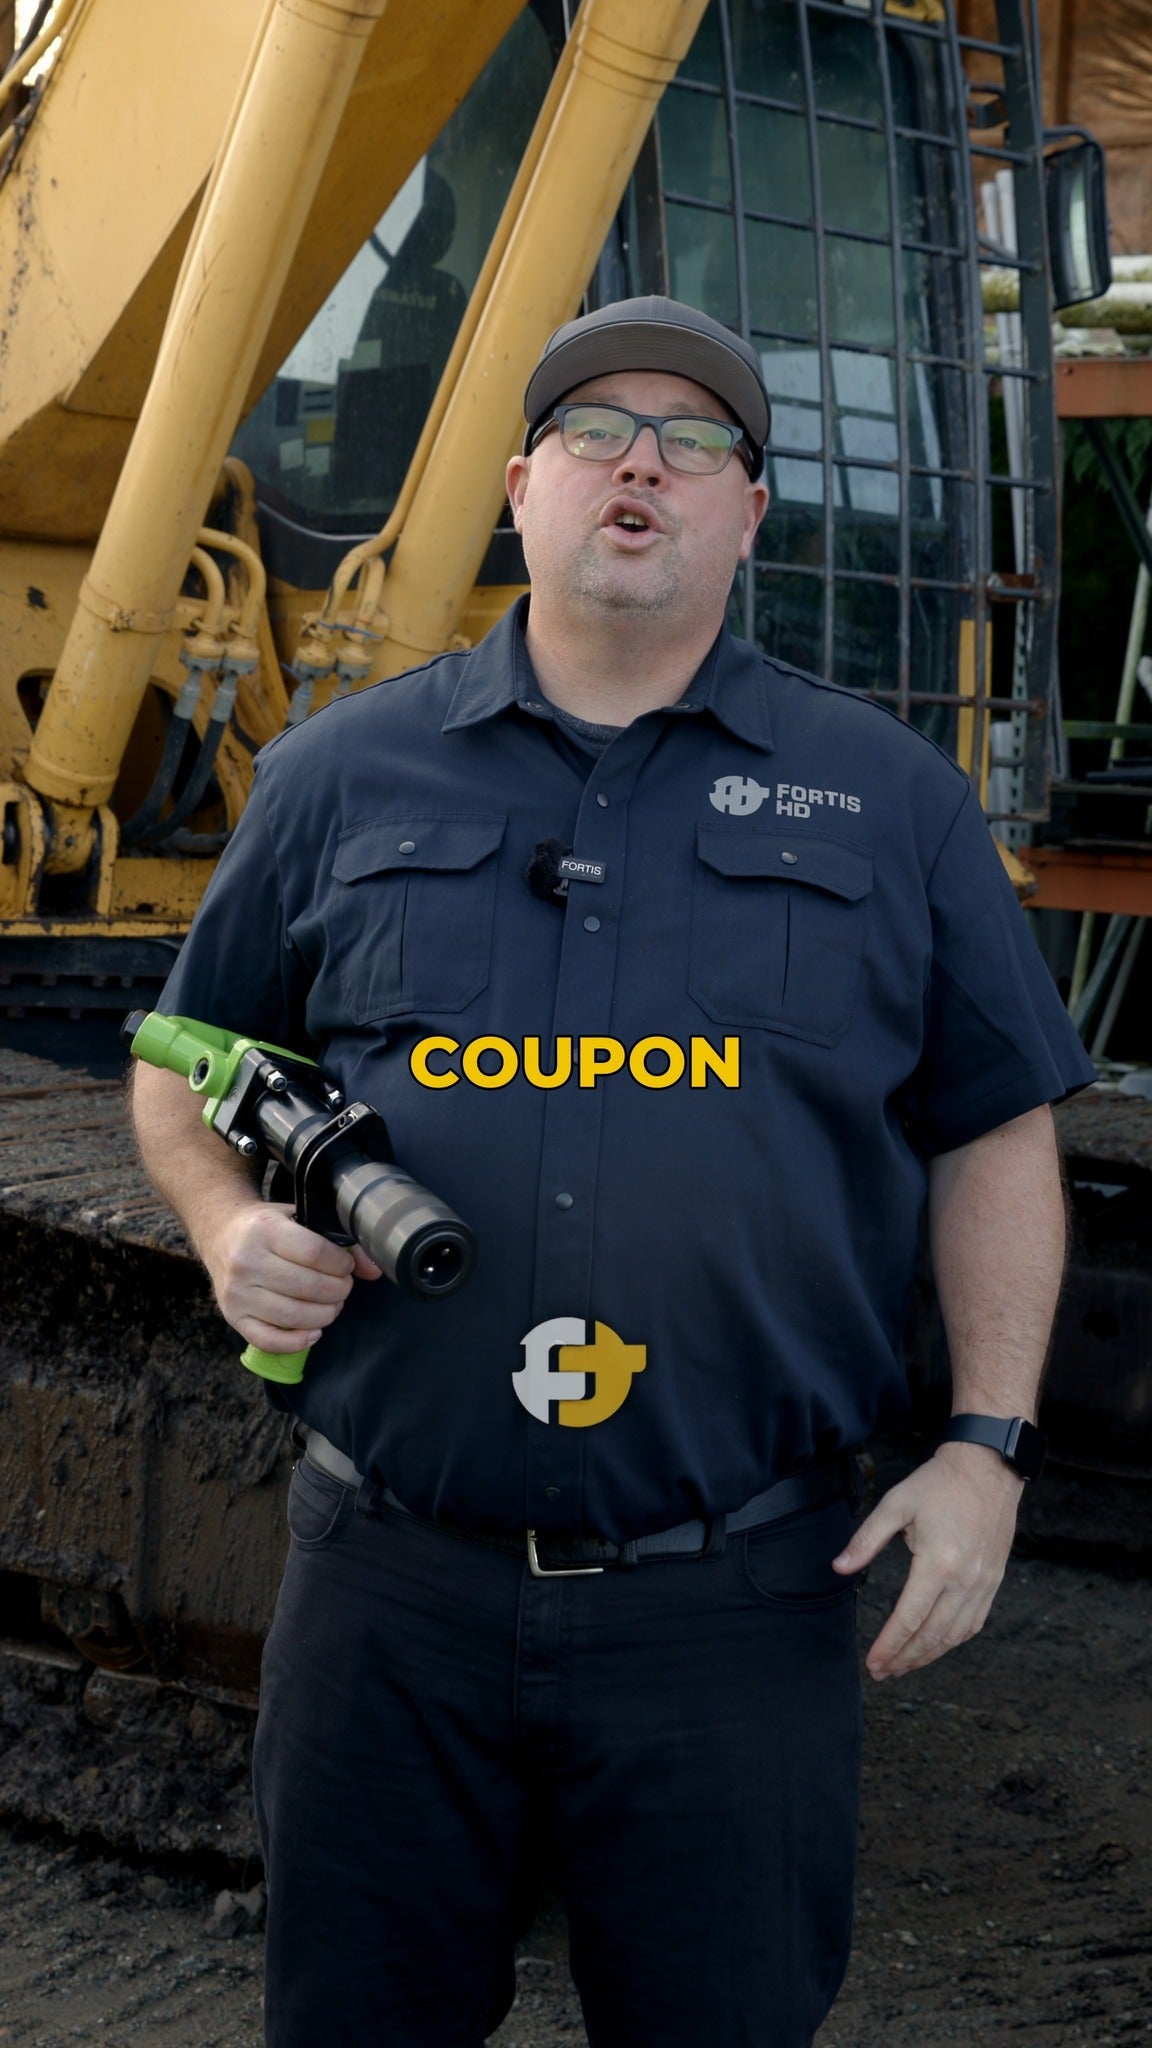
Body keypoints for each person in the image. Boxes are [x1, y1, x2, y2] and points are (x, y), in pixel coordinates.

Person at [132, 295, 1095, 2048]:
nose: (642, 461)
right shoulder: (343, 773)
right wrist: (220, 1222)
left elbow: (996, 1126)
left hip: (734, 1605)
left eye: (697, 439)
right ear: (521, 488)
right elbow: (183, 1061)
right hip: (392, 1597)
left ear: (749, 512)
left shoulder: (888, 802)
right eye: (595, 431)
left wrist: (988, 1447)